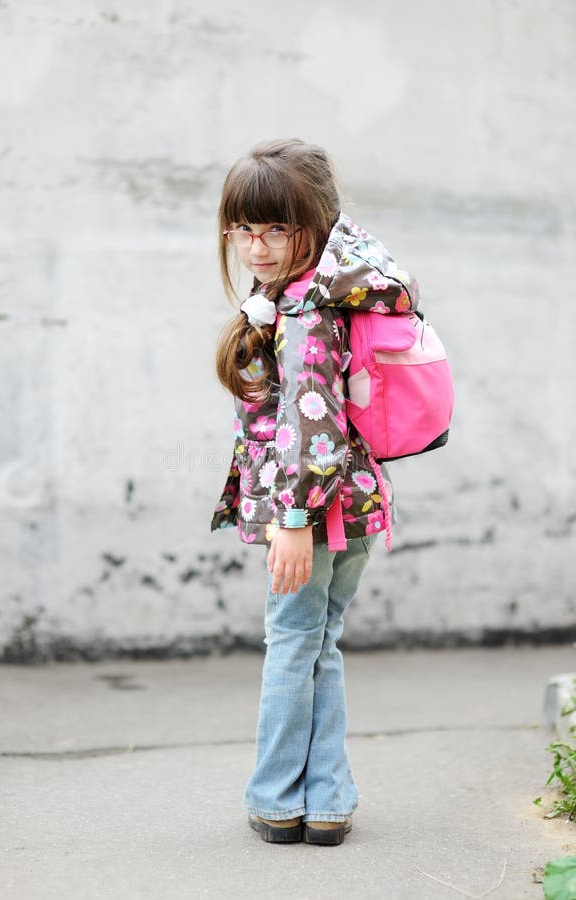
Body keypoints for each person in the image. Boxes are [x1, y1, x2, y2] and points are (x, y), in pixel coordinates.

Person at [211, 139, 419, 845]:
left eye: (278, 227)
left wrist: (294, 517)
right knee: (318, 643)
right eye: (245, 227)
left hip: (314, 511)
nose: (258, 246)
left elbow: (311, 423)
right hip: (358, 503)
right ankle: (327, 800)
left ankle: (275, 798)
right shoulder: (337, 286)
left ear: (316, 221)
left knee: (292, 643)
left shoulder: (303, 309)